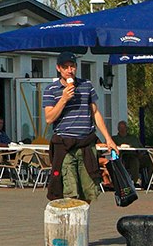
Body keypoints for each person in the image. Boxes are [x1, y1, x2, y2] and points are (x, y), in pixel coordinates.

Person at [43, 52, 119, 202]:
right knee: (69, 189)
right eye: (65, 67)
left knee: (88, 189)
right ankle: (71, 222)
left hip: (86, 143)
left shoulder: (86, 85)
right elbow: (49, 118)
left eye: (72, 66)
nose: (70, 70)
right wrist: (63, 99)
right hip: (64, 144)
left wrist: (108, 139)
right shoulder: (51, 89)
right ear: (59, 68)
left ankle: (82, 221)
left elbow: (95, 112)